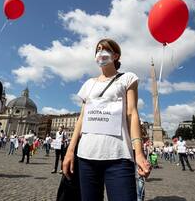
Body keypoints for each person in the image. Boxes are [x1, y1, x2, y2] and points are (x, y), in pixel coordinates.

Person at [62, 38, 151, 201]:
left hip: (118, 156)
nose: (100, 52)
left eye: (104, 49)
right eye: (97, 49)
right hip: (86, 156)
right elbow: (81, 119)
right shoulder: (88, 84)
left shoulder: (127, 78)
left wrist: (138, 153)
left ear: (115, 55)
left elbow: (132, 113)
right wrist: (69, 152)